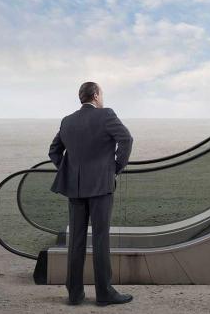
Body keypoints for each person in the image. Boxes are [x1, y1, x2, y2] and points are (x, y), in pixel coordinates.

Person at [48, 81, 134, 306]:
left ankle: (74, 295)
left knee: (75, 241)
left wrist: (69, 171)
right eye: (101, 94)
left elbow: (54, 151)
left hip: (75, 190)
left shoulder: (67, 120)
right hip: (100, 188)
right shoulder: (106, 115)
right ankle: (104, 294)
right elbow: (126, 139)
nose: (102, 97)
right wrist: (114, 169)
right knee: (100, 239)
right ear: (95, 95)